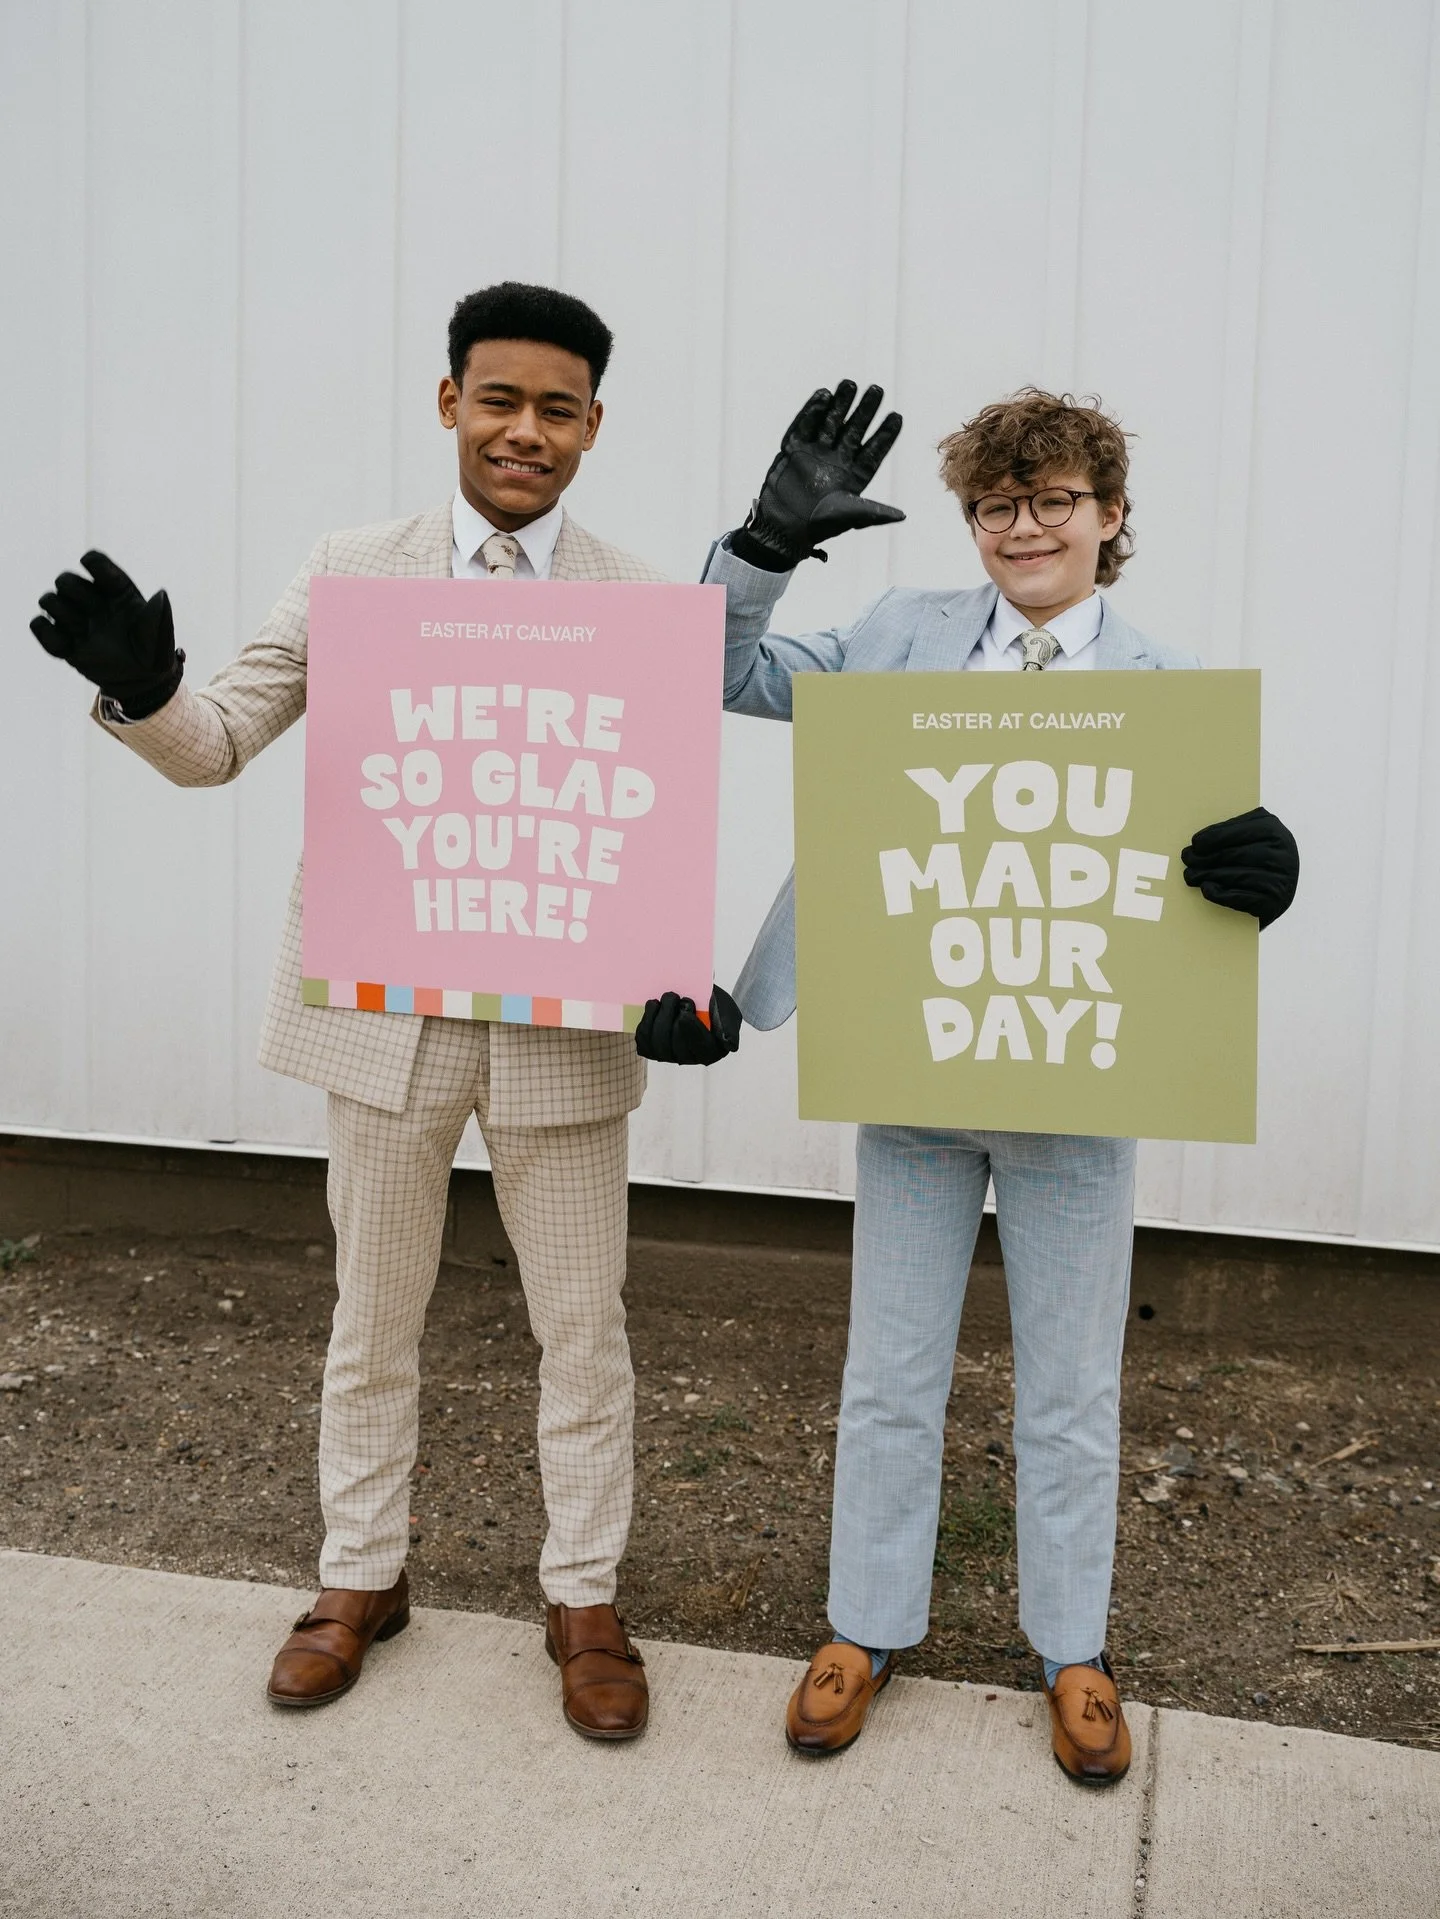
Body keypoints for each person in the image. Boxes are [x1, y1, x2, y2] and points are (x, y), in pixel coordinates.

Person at [29, 281, 667, 1741]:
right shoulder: (349, 569)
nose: (525, 430)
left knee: (585, 1327)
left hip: (559, 1028)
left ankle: (582, 1595)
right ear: (449, 403)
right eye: (498, 399)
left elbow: (647, 823)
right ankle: (358, 1575)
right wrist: (146, 692)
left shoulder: (637, 598)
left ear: (592, 428)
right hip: (386, 1016)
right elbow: (223, 742)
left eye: (556, 408)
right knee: (372, 1317)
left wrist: (674, 978)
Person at [642, 382, 1298, 1783]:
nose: (1025, 525)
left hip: (1077, 1096)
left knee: (1070, 1384)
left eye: (1056, 498)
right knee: (890, 1371)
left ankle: (1072, 1646)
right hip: (912, 1072)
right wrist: (764, 545)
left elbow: (1188, 894)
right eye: (999, 502)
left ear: (1110, 518)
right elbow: (715, 678)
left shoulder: (1173, 694)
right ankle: (866, 1625)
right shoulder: (896, 639)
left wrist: (1259, 879)